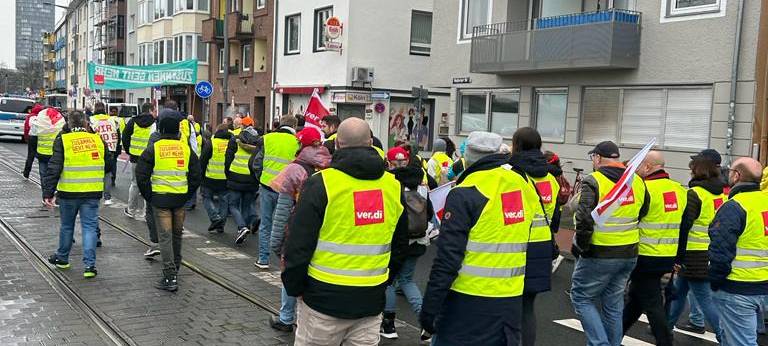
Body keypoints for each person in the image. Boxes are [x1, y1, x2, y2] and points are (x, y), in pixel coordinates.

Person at [281, 118, 409, 345]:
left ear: (337, 144)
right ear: (370, 142)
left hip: (322, 300)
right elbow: (400, 244)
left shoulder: (321, 183)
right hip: (370, 301)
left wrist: (295, 286)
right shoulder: (393, 186)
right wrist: (384, 282)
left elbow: (298, 244)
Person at [419, 131, 540, 345]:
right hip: (510, 298)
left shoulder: (465, 191)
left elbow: (448, 258)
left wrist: (430, 308)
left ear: (468, 156)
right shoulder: (523, 183)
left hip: (467, 300)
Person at [570, 141, 649, 346]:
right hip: (629, 251)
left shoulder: (593, 181)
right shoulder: (636, 181)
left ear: (597, 158)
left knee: (581, 297)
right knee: (613, 304)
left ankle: (600, 344)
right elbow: (644, 210)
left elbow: (584, 218)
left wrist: (581, 246)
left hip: (599, 251)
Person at [268, 127, 332, 332]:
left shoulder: (295, 170)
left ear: (301, 145)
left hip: (297, 229)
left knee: (291, 270)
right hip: (326, 229)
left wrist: (276, 242)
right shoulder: (331, 165)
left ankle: (286, 318)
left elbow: (283, 209)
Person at [622, 151, 687, 346]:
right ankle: (613, 336)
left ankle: (665, 341)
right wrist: (679, 257)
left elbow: (631, 218)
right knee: (636, 300)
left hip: (644, 254)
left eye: (639, 165)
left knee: (651, 302)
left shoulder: (643, 188)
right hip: (667, 254)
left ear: (648, 167)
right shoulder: (679, 190)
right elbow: (685, 225)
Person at [136, 112, 201, 292]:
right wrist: (187, 194)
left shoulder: (154, 148)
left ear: (161, 129)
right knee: (177, 235)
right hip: (180, 199)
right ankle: (176, 268)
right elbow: (196, 175)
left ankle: (169, 276)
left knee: (165, 237)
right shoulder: (185, 148)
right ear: (178, 131)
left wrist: (150, 196)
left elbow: (141, 175)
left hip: (160, 199)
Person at [509, 127, 562, 346]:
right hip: (542, 245)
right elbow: (556, 221)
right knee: (528, 307)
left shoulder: (513, 175)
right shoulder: (551, 178)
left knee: (508, 305)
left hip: (516, 245)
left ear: (516, 145)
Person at [666, 150, 726, 340]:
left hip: (693, 255)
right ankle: (665, 327)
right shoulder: (721, 193)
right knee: (680, 290)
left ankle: (724, 336)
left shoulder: (695, 193)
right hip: (709, 251)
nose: (690, 169)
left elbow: (685, 226)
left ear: (699, 168)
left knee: (704, 299)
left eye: (693, 166)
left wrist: (677, 255)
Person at [709, 157, 768, 346]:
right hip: (762, 284)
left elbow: (720, 250)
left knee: (741, 342)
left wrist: (716, 280)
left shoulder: (734, 206)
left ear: (737, 175)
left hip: (737, 286)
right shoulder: (764, 202)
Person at [44, 111, 106, 278]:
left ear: (69, 124)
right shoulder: (97, 139)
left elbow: (54, 167)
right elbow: (106, 162)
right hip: (92, 192)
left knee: (67, 226)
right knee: (89, 228)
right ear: (86, 123)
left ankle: (63, 258)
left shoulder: (63, 140)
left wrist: (48, 192)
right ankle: (89, 266)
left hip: (69, 193)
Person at [380, 146, 433, 340]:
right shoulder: (422, 185)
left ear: (390, 162)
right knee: (408, 281)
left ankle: (389, 325)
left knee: (390, 281)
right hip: (419, 240)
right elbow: (431, 214)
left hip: (397, 242)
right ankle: (426, 325)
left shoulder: (390, 184)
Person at [247, 114, 299, 267]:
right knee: (285, 224)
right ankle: (283, 260)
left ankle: (263, 259)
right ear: (294, 126)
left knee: (266, 223)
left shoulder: (267, 138)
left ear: (280, 124)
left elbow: (255, 162)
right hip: (288, 190)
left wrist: (261, 177)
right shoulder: (298, 142)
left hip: (267, 186)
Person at [225, 116, 260, 245]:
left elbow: (228, 157)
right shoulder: (259, 141)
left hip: (235, 175)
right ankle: (245, 227)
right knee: (246, 205)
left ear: (242, 126)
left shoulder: (235, 138)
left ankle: (242, 227)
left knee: (233, 205)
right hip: (251, 177)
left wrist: (227, 172)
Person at [122, 102, 156, 220]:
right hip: (150, 159)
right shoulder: (155, 123)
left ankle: (131, 210)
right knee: (148, 184)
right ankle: (146, 213)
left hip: (135, 158)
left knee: (135, 184)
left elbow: (125, 136)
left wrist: (129, 151)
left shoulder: (133, 121)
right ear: (151, 110)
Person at [200, 123, 233, 233]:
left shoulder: (212, 143)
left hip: (210, 177)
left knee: (206, 198)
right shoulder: (231, 143)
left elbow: (203, 160)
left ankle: (215, 217)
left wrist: (201, 174)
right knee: (224, 201)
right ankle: (220, 225)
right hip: (225, 178)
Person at [90, 102, 120, 206]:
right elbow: (117, 134)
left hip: (96, 149)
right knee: (107, 173)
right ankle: (107, 198)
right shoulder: (112, 119)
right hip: (110, 149)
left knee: (95, 173)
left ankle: (95, 195)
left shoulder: (91, 120)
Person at [34, 107, 66, 200]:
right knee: (56, 174)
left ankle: (45, 195)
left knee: (43, 176)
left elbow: (32, 137)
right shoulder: (59, 124)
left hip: (42, 154)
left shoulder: (40, 124)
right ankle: (55, 194)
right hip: (55, 155)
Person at [180, 114, 202, 210]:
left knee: (187, 179)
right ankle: (191, 201)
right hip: (194, 155)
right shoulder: (191, 127)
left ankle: (188, 201)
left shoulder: (183, 127)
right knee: (192, 178)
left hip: (186, 156)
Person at [23, 104, 44, 179]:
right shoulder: (42, 117)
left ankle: (26, 172)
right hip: (40, 137)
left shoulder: (30, 116)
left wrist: (26, 137)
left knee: (30, 155)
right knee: (41, 155)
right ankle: (42, 172)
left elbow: (26, 127)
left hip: (31, 137)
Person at [107, 106, 122, 187]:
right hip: (116, 145)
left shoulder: (108, 121)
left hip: (108, 145)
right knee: (114, 162)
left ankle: (108, 178)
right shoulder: (119, 120)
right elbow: (119, 135)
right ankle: (113, 179)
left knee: (108, 162)